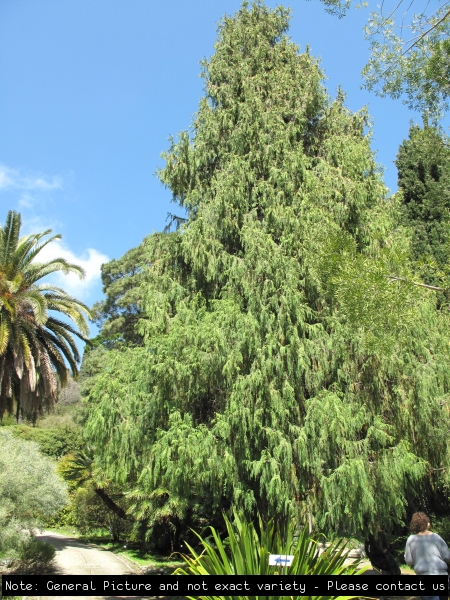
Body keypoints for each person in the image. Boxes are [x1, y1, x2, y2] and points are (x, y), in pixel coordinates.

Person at [405, 512, 450, 600]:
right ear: (427, 524)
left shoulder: (411, 540)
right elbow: (448, 557)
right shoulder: (436, 537)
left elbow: (409, 561)